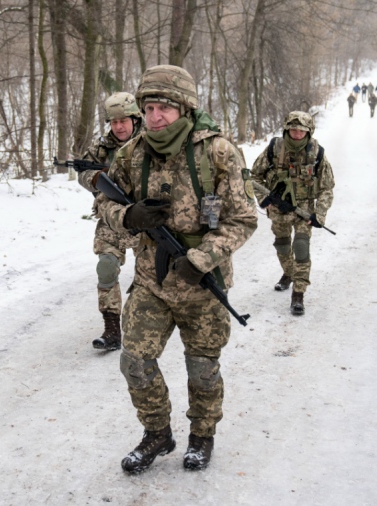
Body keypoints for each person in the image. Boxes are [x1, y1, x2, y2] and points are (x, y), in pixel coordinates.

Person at [96, 65, 257, 473]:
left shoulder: (219, 152)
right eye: (148, 107)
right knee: (134, 361)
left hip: (203, 284)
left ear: (185, 108)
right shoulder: (132, 153)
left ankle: (202, 436)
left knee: (202, 369)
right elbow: (104, 202)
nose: (154, 116)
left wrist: (200, 260)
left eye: (164, 107)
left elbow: (243, 218)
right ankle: (157, 434)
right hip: (152, 280)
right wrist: (130, 216)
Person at [76, 93, 144, 351]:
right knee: (106, 268)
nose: (118, 127)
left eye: (123, 121)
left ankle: (148, 321)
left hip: (143, 218)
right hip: (110, 218)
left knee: (151, 274)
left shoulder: (151, 142)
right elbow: (82, 172)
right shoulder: (101, 149)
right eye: (113, 122)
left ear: (136, 119)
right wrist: (95, 179)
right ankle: (112, 330)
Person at [251, 111, 335, 316]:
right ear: (287, 129)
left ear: (309, 131)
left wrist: (319, 215)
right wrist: (264, 200)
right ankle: (288, 273)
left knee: (301, 246)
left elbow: (327, 188)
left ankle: (298, 294)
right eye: (293, 130)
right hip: (277, 211)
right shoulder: (274, 148)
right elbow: (252, 176)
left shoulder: (317, 153)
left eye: (301, 130)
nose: (297, 134)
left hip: (303, 211)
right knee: (282, 245)